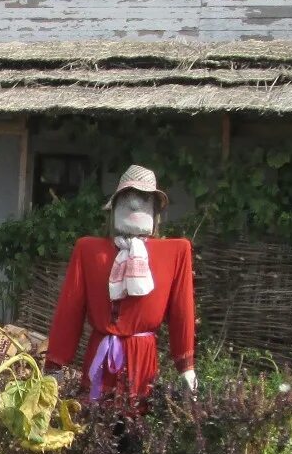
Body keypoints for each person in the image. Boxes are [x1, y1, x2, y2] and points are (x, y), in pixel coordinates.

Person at [44, 165, 196, 402]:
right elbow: (70, 309)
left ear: (155, 210)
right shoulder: (89, 250)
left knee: (138, 430)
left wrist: (186, 366)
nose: (135, 205)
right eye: (127, 198)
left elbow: (182, 312)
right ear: (114, 206)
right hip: (100, 358)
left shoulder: (175, 252)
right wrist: (55, 365)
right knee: (94, 429)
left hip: (142, 362)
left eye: (144, 199)